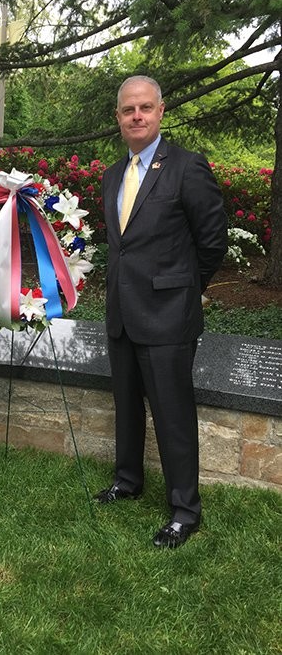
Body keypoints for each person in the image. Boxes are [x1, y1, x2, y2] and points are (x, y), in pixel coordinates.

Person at [94, 76, 228, 548]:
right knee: (126, 406)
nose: (137, 116)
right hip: (122, 314)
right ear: (118, 117)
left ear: (161, 111)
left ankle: (184, 510)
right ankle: (128, 481)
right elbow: (123, 247)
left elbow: (213, 242)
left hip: (169, 315)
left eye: (145, 108)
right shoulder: (113, 175)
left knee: (172, 414)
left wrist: (186, 291)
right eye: (128, 109)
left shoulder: (187, 168)